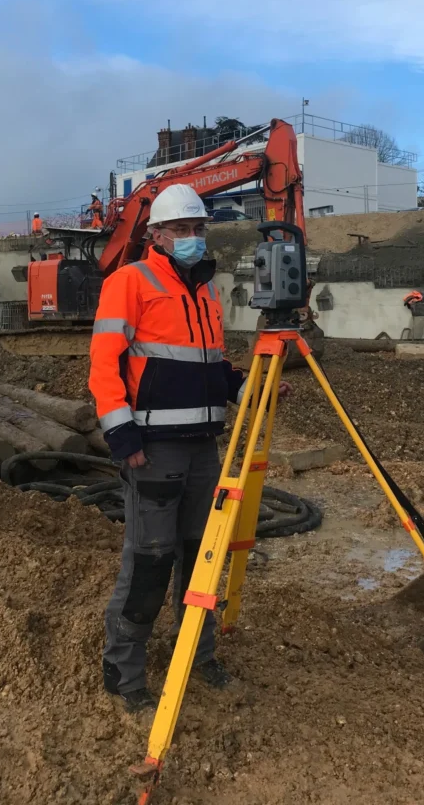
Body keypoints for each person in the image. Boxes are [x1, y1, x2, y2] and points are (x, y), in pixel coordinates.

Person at [89, 184, 290, 714]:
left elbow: (209, 369)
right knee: (150, 562)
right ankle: (124, 671)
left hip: (205, 447)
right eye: (181, 230)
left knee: (201, 559)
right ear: (156, 234)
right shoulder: (129, 281)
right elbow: (104, 366)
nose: (192, 238)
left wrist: (250, 389)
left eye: (198, 229)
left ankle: (197, 656)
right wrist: (122, 434)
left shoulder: (204, 291)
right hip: (154, 449)